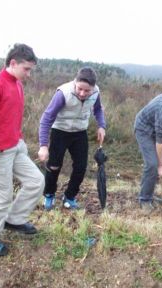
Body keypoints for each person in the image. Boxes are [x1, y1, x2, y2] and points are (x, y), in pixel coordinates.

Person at [0, 44, 45, 256]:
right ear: (13, 63)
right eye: (26, 69)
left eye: (31, 69)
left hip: (15, 147)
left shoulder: (17, 84)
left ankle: (14, 220)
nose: (29, 74)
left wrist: (19, 139)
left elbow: (12, 117)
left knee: (36, 181)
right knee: (2, 195)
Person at [38, 67, 106, 210]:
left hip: (80, 132)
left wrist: (101, 125)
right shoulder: (63, 93)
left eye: (87, 91)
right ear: (75, 82)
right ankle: (49, 195)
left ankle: (69, 197)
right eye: (80, 88)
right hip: (60, 131)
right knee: (54, 166)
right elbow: (46, 118)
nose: (82, 93)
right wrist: (43, 145)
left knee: (81, 167)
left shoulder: (96, 92)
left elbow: (98, 109)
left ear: (93, 89)